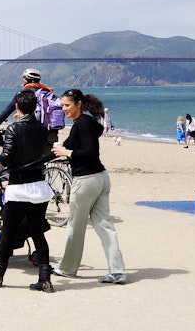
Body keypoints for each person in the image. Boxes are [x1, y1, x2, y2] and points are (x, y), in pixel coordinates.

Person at [0, 89, 55, 292]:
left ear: (17, 107)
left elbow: (6, 159)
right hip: (39, 187)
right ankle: (45, 278)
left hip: (18, 188)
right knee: (38, 233)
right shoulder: (41, 128)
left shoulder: (14, 128)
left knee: (8, 233)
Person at [51, 89, 126, 284]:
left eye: (67, 105)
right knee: (105, 226)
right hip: (101, 178)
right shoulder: (88, 123)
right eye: (62, 105)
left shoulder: (82, 123)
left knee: (75, 226)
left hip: (86, 181)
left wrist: (68, 152)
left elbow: (89, 152)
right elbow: (79, 143)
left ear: (79, 104)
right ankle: (117, 271)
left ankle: (67, 268)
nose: (64, 109)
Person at [0, 68, 58, 155]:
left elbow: (8, 110)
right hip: (51, 135)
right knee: (40, 162)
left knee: (22, 159)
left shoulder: (24, 93)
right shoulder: (47, 92)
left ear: (25, 80)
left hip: (32, 135)